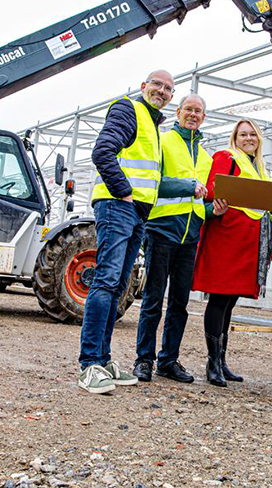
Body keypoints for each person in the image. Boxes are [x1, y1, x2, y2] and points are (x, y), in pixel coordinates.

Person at [77, 69, 175, 394]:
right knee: (106, 280)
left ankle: (103, 360)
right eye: (157, 84)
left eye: (168, 88)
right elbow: (102, 152)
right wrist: (123, 191)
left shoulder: (153, 125)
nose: (162, 91)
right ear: (144, 86)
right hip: (117, 205)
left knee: (118, 284)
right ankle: (90, 364)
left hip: (136, 212)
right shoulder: (128, 109)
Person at [132, 94, 229, 384]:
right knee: (153, 300)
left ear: (204, 117)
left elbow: (199, 203)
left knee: (179, 303)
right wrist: (187, 186)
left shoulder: (206, 157)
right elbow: (153, 182)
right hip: (161, 229)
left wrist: (213, 211)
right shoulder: (163, 142)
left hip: (190, 237)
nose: (193, 114)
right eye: (188, 109)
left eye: (198, 111)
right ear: (178, 112)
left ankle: (168, 360)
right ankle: (144, 360)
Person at [192, 118, 272, 387]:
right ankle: (212, 362)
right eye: (243, 135)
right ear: (235, 139)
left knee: (229, 301)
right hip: (227, 237)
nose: (248, 139)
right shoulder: (227, 157)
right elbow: (213, 189)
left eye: (252, 134)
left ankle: (221, 360)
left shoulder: (258, 167)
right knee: (219, 298)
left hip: (246, 240)